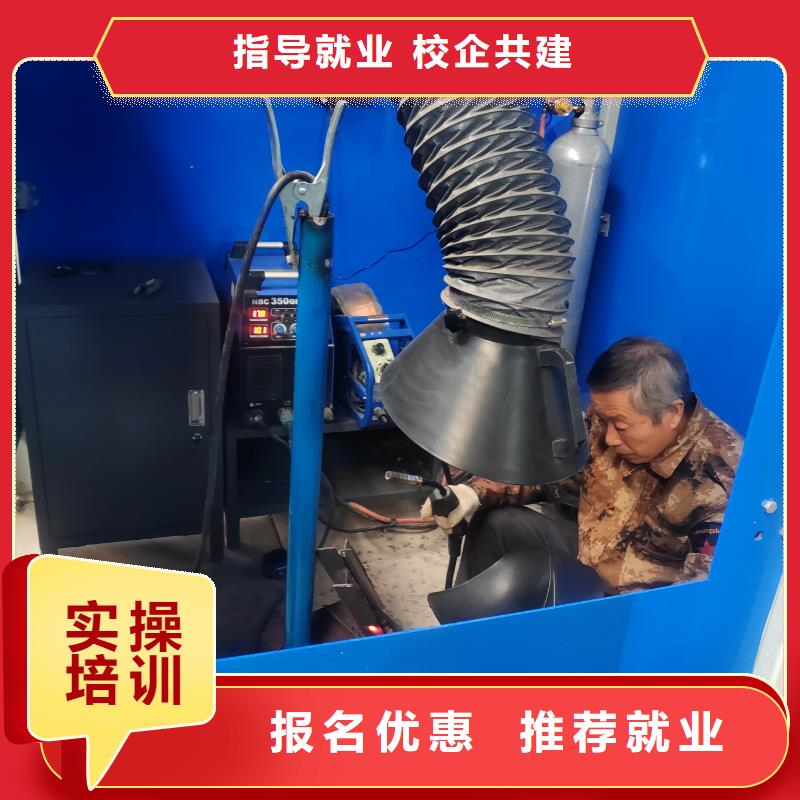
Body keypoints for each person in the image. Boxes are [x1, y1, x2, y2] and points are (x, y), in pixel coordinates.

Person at [421, 337, 743, 595]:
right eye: (603, 420)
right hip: (587, 556)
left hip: (629, 611)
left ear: (672, 413)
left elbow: (698, 602)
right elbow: (556, 470)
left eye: (621, 426)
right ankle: (467, 631)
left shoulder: (722, 481)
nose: (609, 438)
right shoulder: (608, 419)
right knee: (496, 523)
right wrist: (473, 493)